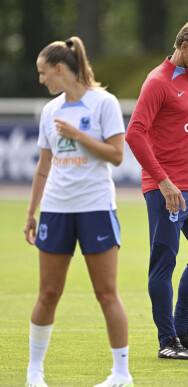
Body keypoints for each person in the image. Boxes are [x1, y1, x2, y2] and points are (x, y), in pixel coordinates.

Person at [23, 36, 133, 387]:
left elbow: (117, 155)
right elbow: (43, 167)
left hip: (96, 207)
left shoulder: (104, 102)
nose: (42, 80)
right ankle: (34, 373)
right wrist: (31, 212)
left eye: (44, 73)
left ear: (59, 69)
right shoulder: (49, 111)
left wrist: (78, 135)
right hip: (56, 210)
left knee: (106, 293)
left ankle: (121, 374)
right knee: (48, 292)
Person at [125, 19, 188, 359]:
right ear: (183, 46)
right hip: (167, 189)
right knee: (164, 261)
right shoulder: (157, 82)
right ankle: (168, 341)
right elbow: (134, 133)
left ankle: (183, 329)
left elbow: (185, 120)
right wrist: (163, 181)